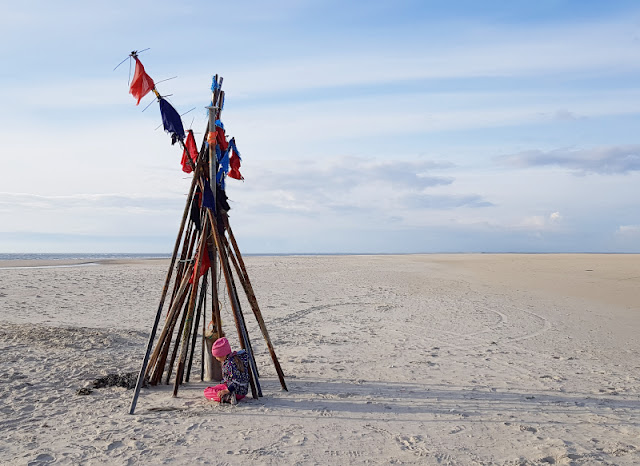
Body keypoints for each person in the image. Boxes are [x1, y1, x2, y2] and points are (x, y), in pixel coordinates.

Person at [203, 337, 249, 404]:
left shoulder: (230, 364)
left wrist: (227, 390)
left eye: (217, 356)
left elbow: (236, 381)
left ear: (222, 355)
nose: (216, 358)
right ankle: (227, 395)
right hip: (241, 390)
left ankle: (227, 397)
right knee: (213, 389)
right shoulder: (234, 359)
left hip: (234, 390)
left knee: (208, 391)